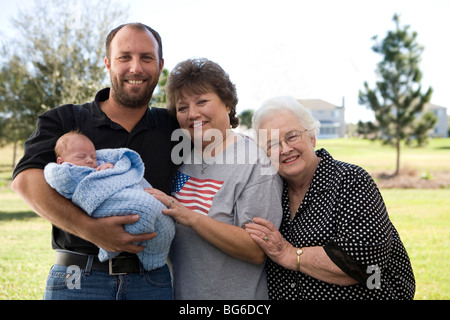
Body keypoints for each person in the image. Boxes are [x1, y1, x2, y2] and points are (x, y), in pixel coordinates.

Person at [11, 23, 179, 300]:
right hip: (79, 278)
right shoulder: (64, 119)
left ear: (160, 65)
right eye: (124, 57)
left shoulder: (174, 128)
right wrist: (92, 231)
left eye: (146, 57)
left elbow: (222, 141)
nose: (135, 68)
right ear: (107, 63)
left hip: (153, 281)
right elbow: (26, 181)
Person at [245, 96, 415, 300]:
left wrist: (289, 254)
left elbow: (364, 262)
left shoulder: (350, 180)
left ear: (312, 138)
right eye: (272, 144)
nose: (285, 149)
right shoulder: (270, 191)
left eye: (291, 136)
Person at [147, 58, 283, 299]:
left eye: (202, 101)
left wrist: (191, 217)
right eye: (182, 107)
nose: (192, 114)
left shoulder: (255, 162)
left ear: (227, 104)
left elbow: (257, 250)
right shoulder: (181, 157)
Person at [44, 131, 175, 276]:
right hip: (79, 268)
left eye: (93, 156)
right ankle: (129, 247)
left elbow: (119, 174)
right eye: (81, 157)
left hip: (122, 193)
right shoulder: (64, 172)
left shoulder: (98, 165)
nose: (89, 160)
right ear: (61, 161)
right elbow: (69, 184)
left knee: (159, 214)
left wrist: (109, 168)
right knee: (145, 209)